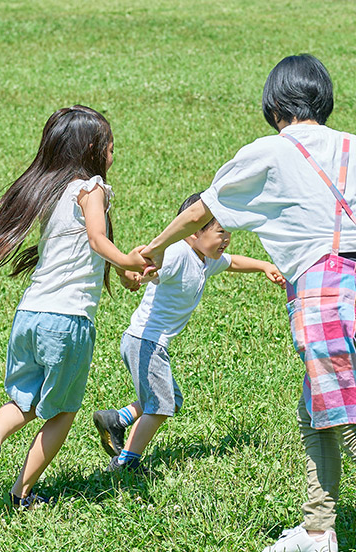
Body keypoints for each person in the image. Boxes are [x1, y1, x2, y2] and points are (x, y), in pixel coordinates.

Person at [139, 55, 356, 552]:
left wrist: (152, 248)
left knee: (355, 427)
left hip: (327, 301)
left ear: (273, 103)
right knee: (316, 412)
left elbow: (200, 211)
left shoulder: (269, 151)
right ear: (323, 100)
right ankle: (318, 528)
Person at [0, 106, 148, 508]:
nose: (114, 153)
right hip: (68, 321)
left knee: (23, 400)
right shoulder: (92, 188)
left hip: (29, 316)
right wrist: (129, 260)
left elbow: (86, 252)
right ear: (94, 147)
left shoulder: (52, 191)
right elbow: (97, 241)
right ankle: (21, 493)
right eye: (111, 146)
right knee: (61, 412)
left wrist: (127, 273)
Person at [92, 192, 285, 473]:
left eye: (228, 232)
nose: (227, 239)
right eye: (220, 232)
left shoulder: (204, 258)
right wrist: (134, 275)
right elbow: (147, 267)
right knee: (160, 405)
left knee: (171, 399)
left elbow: (233, 262)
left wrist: (264, 266)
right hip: (146, 341)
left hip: (149, 342)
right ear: (193, 233)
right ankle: (124, 463)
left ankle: (117, 420)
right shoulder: (178, 253)